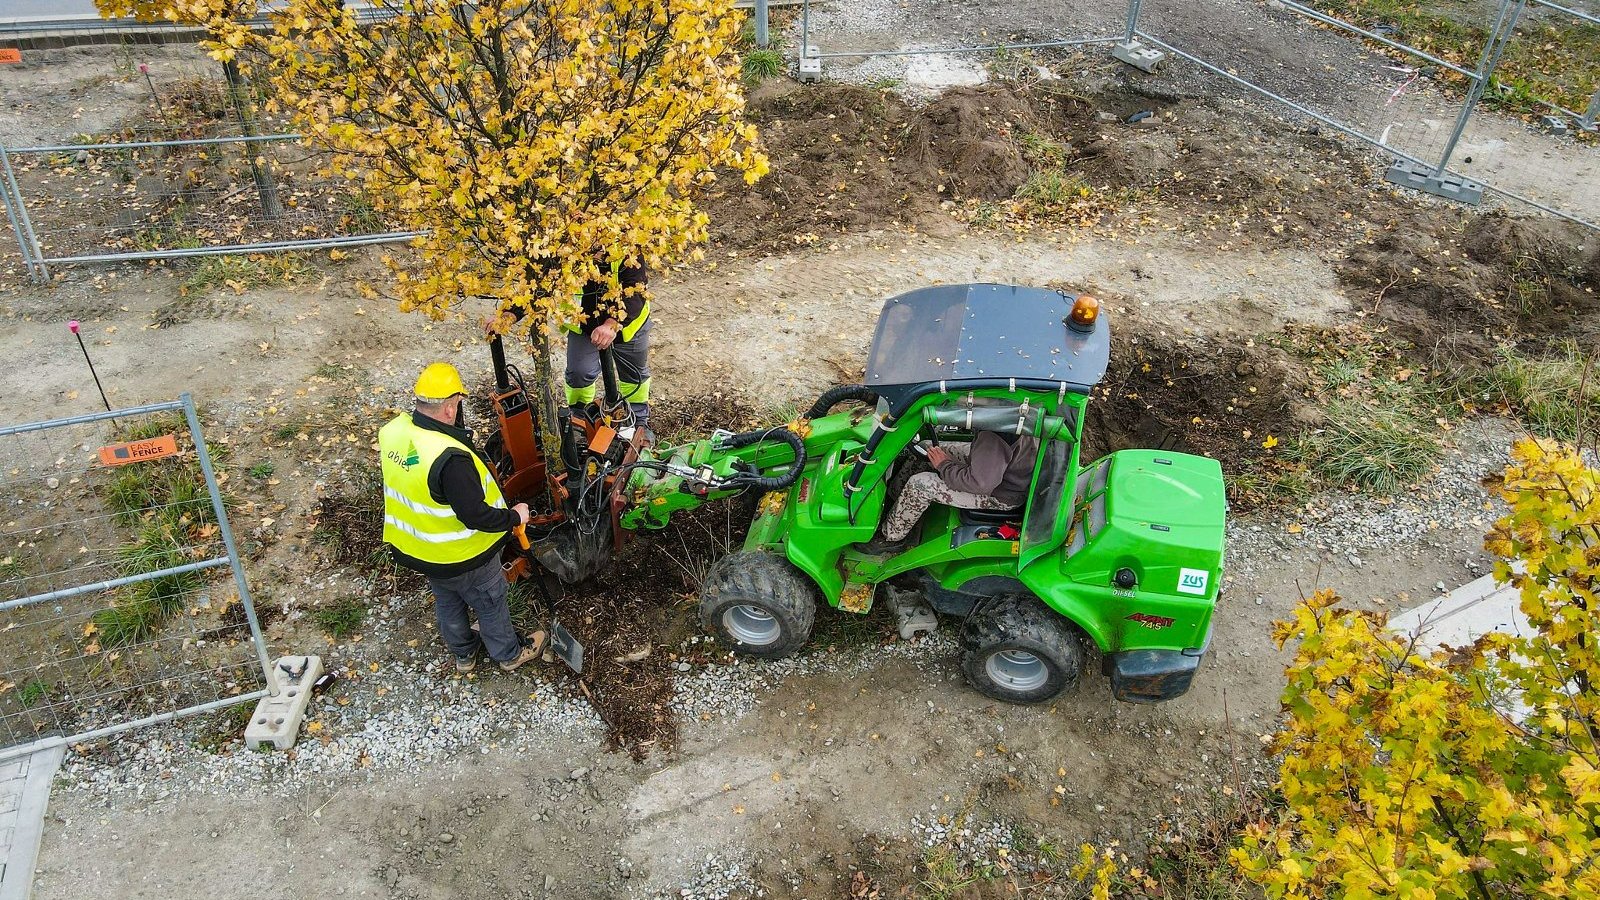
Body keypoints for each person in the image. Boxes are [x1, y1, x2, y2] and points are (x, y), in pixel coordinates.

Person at [379, 362, 545, 674]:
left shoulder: (394, 434)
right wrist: (514, 517)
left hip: (421, 550)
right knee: (490, 600)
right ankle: (509, 654)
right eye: (457, 405)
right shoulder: (450, 458)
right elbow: (476, 515)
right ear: (448, 408)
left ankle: (464, 655)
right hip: (464, 555)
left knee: (447, 600)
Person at [485, 254, 654, 435]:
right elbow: (538, 284)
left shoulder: (624, 243)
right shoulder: (565, 242)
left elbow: (635, 290)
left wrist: (611, 324)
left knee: (633, 374)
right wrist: (509, 314)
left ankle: (638, 422)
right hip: (585, 325)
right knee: (579, 372)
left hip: (629, 324)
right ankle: (581, 419)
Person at [873, 431, 1040, 549]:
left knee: (920, 484)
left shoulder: (997, 434)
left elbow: (980, 484)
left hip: (1000, 494)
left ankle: (891, 536)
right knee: (926, 449)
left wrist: (944, 465)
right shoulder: (1007, 409)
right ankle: (895, 497)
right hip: (995, 465)